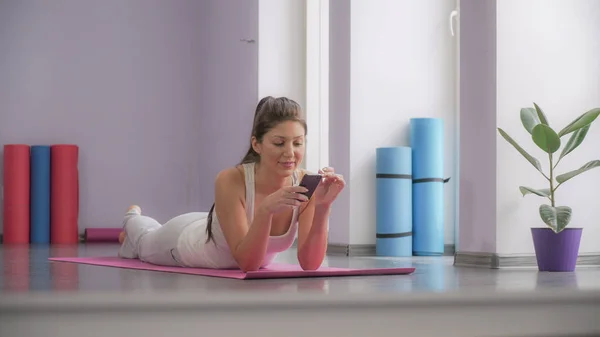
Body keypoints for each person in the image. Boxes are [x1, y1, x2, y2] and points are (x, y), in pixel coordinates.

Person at [117, 96, 345, 272]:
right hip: (182, 242)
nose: (290, 153)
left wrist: (323, 207)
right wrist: (265, 210)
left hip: (214, 225)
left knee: (139, 241)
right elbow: (248, 264)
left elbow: (310, 264)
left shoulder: (305, 185)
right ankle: (132, 217)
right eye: (279, 143)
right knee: (144, 238)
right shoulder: (230, 180)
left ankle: (128, 238)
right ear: (256, 145)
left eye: (298, 143)